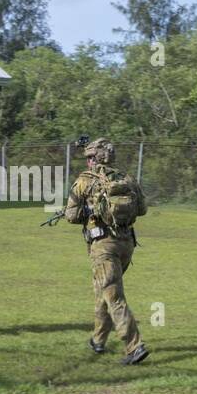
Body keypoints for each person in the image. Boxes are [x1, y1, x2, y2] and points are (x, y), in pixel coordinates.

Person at [64, 137, 149, 365]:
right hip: (126, 245)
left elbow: (71, 216)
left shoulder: (84, 181)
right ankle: (98, 340)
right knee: (104, 291)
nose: (88, 162)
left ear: (95, 158)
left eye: (90, 157)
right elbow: (142, 209)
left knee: (114, 296)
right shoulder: (127, 178)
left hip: (103, 246)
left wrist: (90, 210)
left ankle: (134, 346)